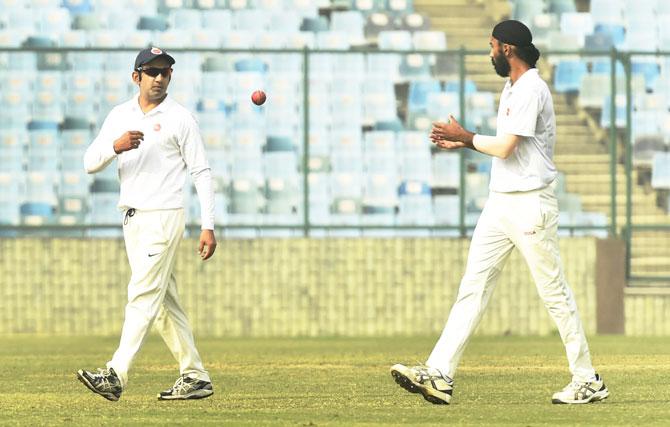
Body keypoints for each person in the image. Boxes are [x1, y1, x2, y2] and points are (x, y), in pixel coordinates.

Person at [390, 20, 609, 405]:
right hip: (500, 202)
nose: (489, 52)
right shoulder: (512, 87)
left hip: (529, 205)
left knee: (554, 293)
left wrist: (466, 137)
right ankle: (440, 373)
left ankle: (587, 379)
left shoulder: (531, 88)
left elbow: (507, 148)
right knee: (472, 288)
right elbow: (507, 148)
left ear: (507, 49)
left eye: (492, 45)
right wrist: (468, 143)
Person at [77, 47, 217, 401]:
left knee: (141, 294)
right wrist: (115, 146)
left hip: (164, 216)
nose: (159, 78)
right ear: (136, 76)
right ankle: (195, 376)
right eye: (152, 71)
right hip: (132, 218)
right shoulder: (120, 115)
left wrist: (208, 224)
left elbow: (201, 171)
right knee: (164, 304)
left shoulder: (180, 118)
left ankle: (115, 374)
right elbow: (89, 163)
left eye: (165, 72)